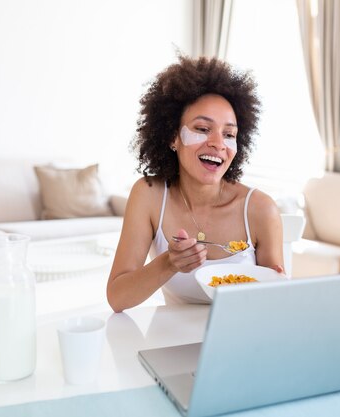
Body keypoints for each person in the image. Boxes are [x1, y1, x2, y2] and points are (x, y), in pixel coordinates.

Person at [107, 56, 284, 312]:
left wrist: (277, 291)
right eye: (202, 128)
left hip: (241, 339)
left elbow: (272, 309)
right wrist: (168, 262)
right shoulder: (149, 195)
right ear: (172, 137)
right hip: (169, 344)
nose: (218, 143)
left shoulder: (260, 208)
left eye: (229, 134)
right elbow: (117, 298)